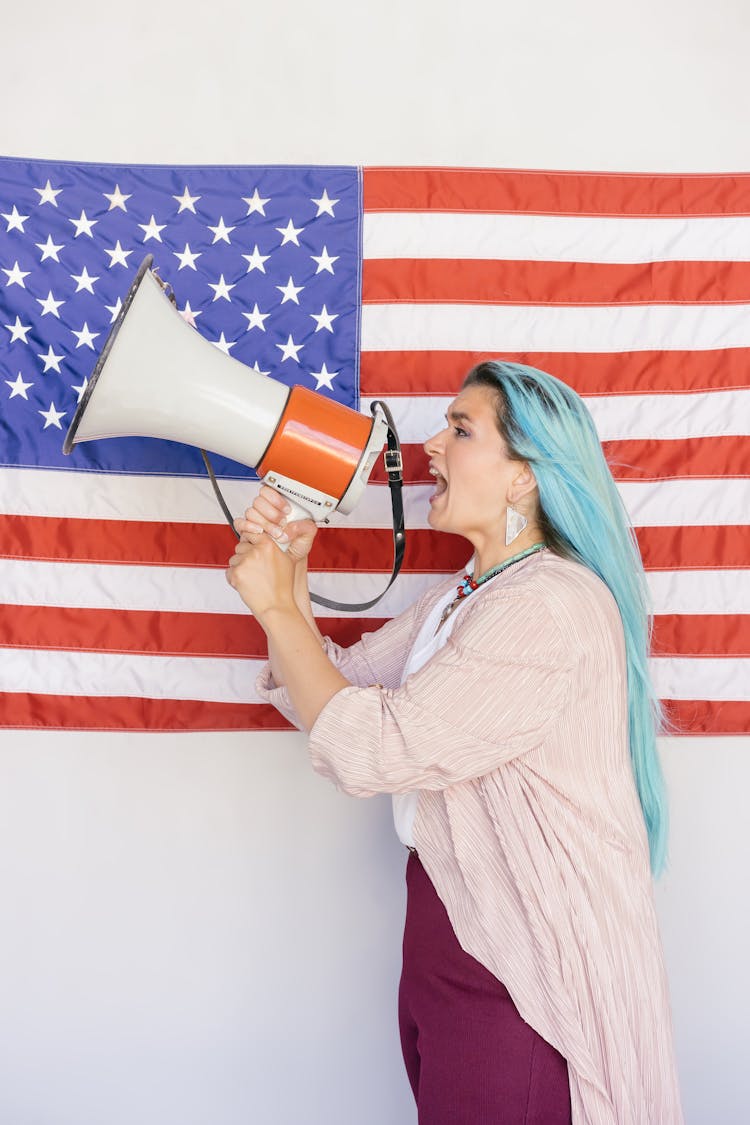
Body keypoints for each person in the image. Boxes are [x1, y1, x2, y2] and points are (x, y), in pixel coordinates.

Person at [226, 360, 684, 1125]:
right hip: (456, 935)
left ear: (524, 479)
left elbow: (374, 748)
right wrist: (293, 580)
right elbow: (330, 689)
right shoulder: (469, 595)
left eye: (461, 429)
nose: (430, 444)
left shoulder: (547, 604)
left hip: (524, 970)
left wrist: (276, 609)